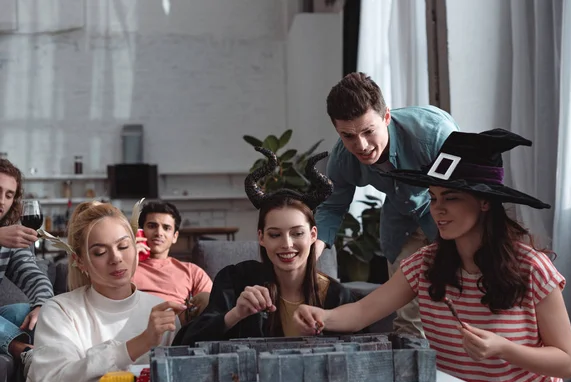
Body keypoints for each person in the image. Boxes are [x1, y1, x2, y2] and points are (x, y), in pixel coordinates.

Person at [293, 129, 571, 382]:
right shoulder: (424, 265)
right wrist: (320, 316)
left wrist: (503, 348)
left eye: (451, 198)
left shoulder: (532, 268)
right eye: (433, 197)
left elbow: (566, 362)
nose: (438, 209)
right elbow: (361, 312)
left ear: (485, 203)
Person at [314, 72, 459, 336]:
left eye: (369, 131)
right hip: (400, 225)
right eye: (348, 136)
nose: (362, 146)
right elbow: (332, 207)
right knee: (409, 321)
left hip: (449, 219)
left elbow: (464, 194)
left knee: (458, 308)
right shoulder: (343, 156)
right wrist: (313, 250)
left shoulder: (435, 134)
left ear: (387, 116)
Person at [173, 148, 357, 344]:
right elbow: (183, 344)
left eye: (297, 233)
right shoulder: (235, 282)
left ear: (313, 235)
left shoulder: (337, 297)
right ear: (261, 237)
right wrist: (235, 314)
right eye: (275, 234)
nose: (287, 244)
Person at [20, 202, 185, 382]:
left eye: (124, 246)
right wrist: (139, 344)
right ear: (79, 261)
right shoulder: (59, 311)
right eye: (100, 252)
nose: (116, 258)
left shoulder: (160, 313)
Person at [0, 159, 53, 367]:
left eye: (9, 195)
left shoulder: (10, 236)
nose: (2, 201)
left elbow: (32, 273)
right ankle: (23, 351)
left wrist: (43, 304)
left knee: (23, 312)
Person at [132, 201, 213, 323]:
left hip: (177, 326)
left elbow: (214, 304)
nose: (159, 233)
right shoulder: (125, 267)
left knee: (207, 298)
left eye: (166, 228)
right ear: (141, 231)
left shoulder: (191, 271)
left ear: (175, 236)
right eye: (152, 226)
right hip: (136, 322)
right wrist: (129, 260)